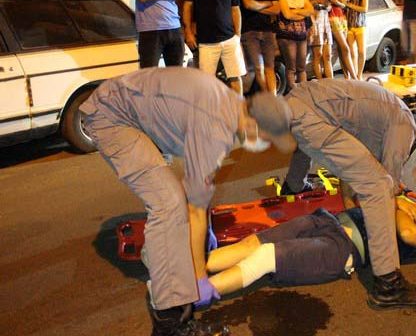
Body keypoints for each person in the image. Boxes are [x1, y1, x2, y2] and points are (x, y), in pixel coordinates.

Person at [79, 67, 296, 335]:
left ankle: (160, 259)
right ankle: (169, 323)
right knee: (169, 203)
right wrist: (198, 277)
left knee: (178, 205)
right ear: (253, 124)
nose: (266, 145)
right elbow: (195, 208)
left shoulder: (231, 105)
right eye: (268, 138)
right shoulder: (214, 126)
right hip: (111, 117)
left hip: (131, 107)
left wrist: (203, 232)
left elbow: (198, 188)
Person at [279, 79, 416, 309]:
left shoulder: (380, 116)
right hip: (310, 113)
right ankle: (389, 284)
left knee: (360, 172)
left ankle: (293, 187)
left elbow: (351, 168)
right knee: (378, 186)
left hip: (299, 101)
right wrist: (400, 204)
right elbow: (388, 179)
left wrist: (350, 208)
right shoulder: (407, 125)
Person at [202, 195, 416, 301]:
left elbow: (408, 234)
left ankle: (190, 297)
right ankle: (184, 271)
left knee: (264, 258)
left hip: (343, 248)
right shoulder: (411, 206)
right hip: (328, 219)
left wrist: (394, 203)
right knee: (252, 243)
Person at [183, 0, 247, 95]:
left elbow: (235, 10)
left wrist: (237, 36)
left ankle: (238, 111)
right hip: (207, 41)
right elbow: (188, 6)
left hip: (230, 39)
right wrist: (188, 31)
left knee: (236, 78)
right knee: (207, 82)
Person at [237, 0, 281, 94]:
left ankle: (272, 100)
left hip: (268, 31)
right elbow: (248, 4)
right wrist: (268, 3)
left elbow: (277, 9)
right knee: (258, 67)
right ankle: (267, 98)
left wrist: (258, 6)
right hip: (250, 31)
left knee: (270, 67)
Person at [276, 0, 314, 88]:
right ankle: (292, 93)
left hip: (302, 34)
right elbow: (287, 15)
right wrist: (302, 11)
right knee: (291, 66)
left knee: (302, 67)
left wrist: (295, 11)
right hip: (287, 35)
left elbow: (310, 10)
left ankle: (303, 93)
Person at [324, 0, 357, 80]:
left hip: (341, 17)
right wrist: (334, 2)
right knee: (345, 47)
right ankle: (355, 78)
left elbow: (344, 5)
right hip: (330, 18)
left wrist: (336, 1)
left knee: (342, 50)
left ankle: (348, 78)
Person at [303, 0, 334, 80]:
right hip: (314, 21)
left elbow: (329, 5)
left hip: (325, 20)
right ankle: (321, 83)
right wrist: (316, 1)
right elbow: (303, 4)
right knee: (318, 55)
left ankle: (331, 84)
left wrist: (327, 4)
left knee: (328, 55)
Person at [341, 0, 368, 80]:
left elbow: (364, 9)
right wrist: (342, 2)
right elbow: (341, 5)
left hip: (360, 25)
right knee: (352, 53)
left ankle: (359, 75)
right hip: (348, 26)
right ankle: (354, 77)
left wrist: (348, 4)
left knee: (361, 52)